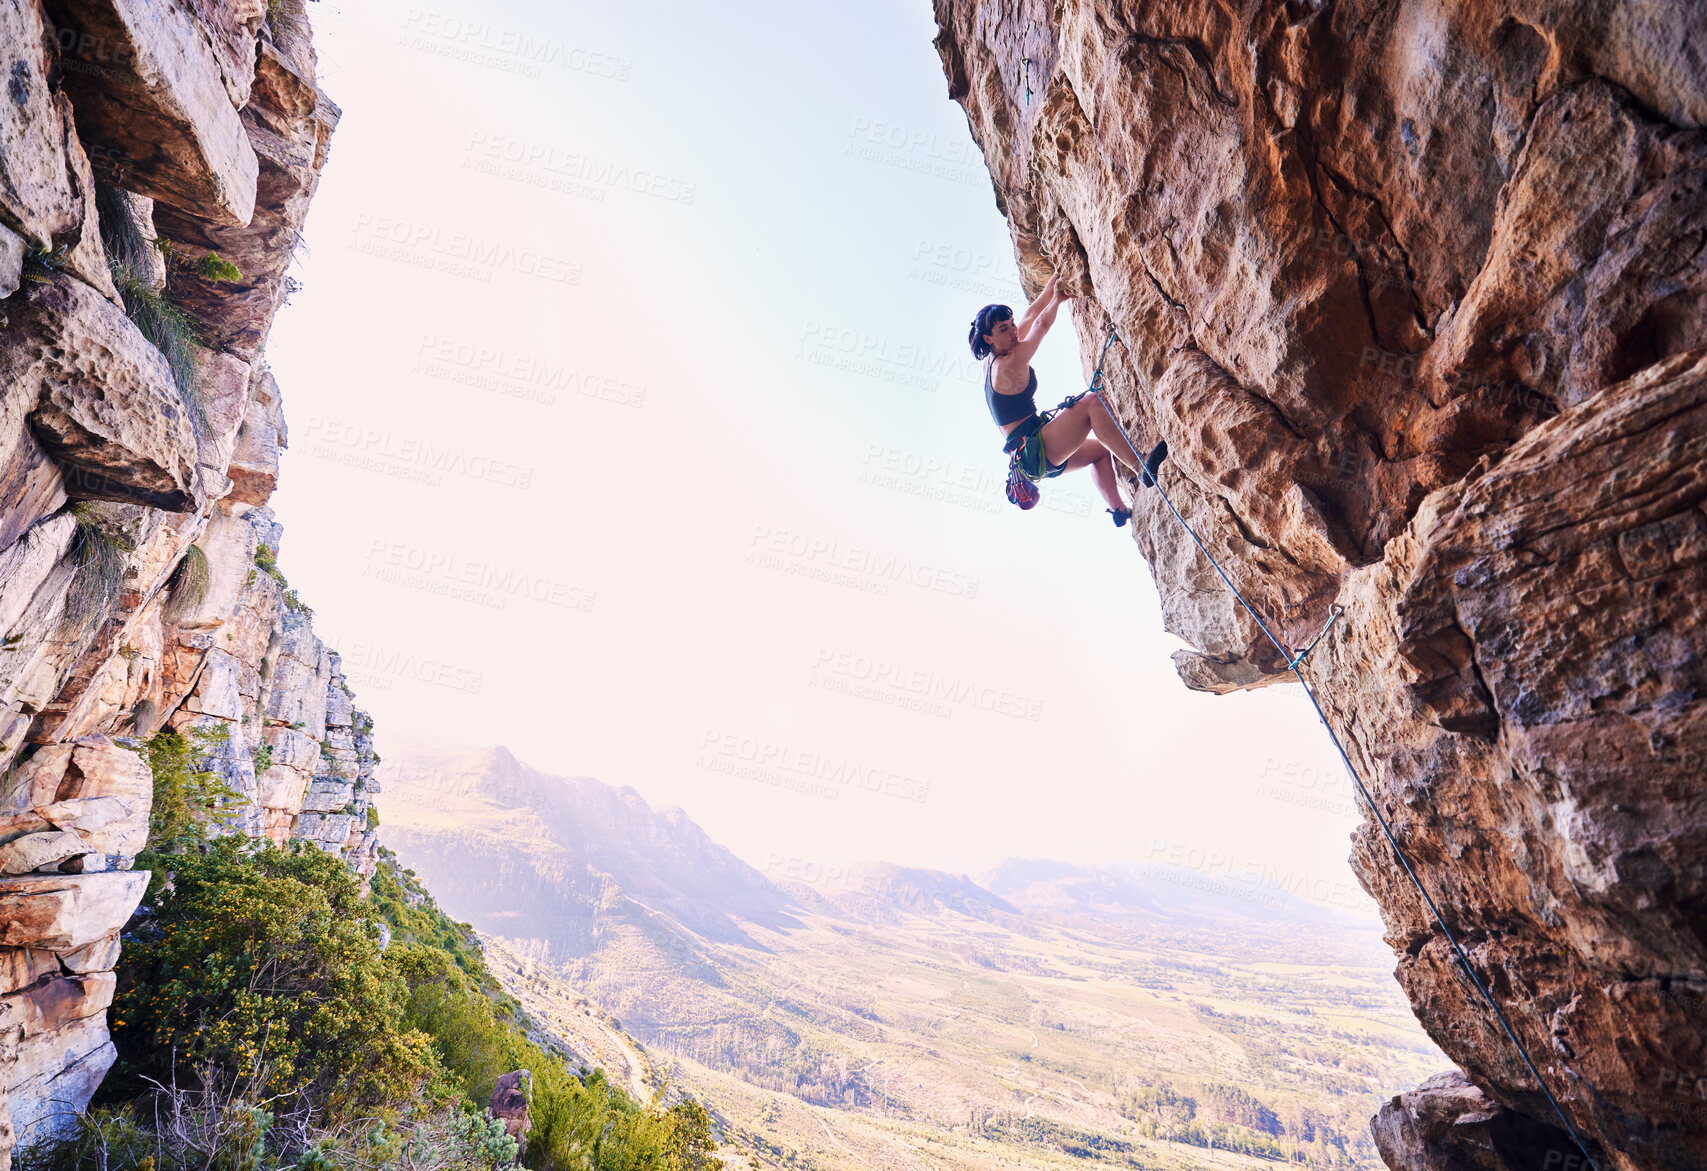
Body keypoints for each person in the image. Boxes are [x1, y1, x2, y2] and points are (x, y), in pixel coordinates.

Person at [969, 275, 1166, 526]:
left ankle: (1117, 510)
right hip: (1035, 447)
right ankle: (1141, 467)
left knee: (1100, 451)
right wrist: (1059, 299)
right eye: (1003, 329)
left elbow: (1030, 314)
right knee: (1093, 404)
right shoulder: (1007, 364)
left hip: (1034, 454)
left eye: (1010, 323)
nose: (1013, 331)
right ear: (988, 338)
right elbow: (1039, 325)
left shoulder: (998, 356)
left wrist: (1054, 281)